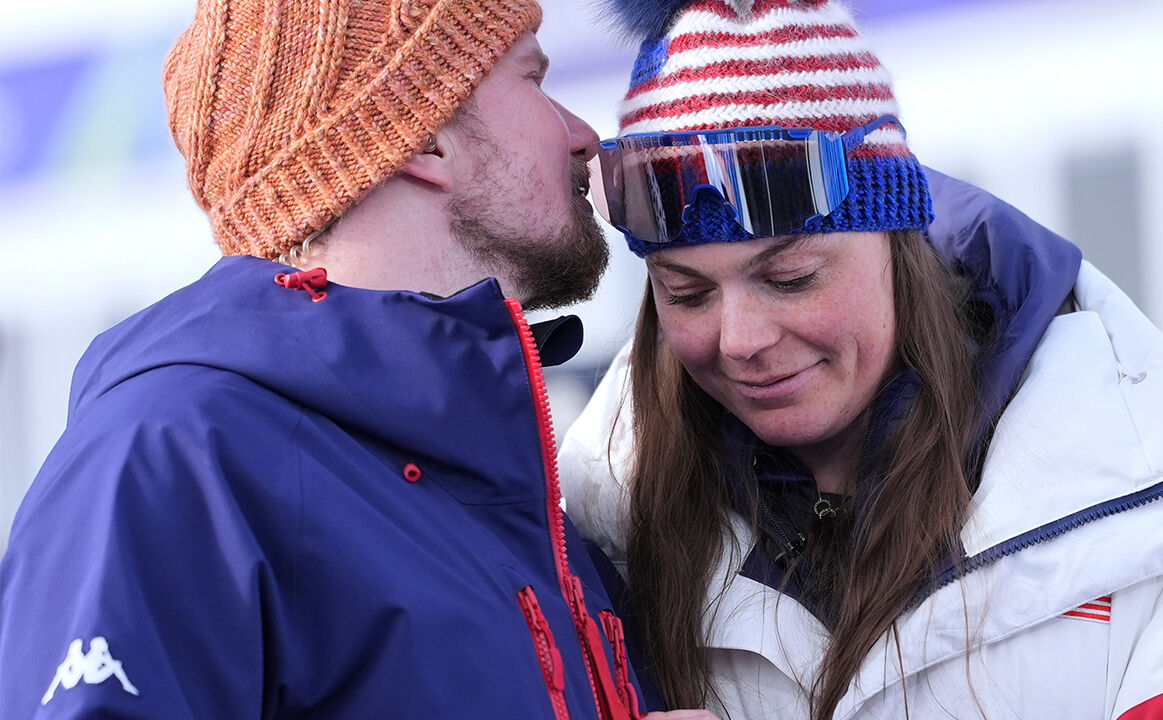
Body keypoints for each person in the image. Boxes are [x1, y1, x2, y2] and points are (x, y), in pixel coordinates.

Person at [560, 1, 1163, 718]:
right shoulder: (606, 525)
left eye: (791, 279)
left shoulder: (1151, 495)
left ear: (900, 251)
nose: (740, 339)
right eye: (687, 294)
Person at [0, 0, 718, 718]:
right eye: (533, 80)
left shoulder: (504, 499)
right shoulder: (171, 457)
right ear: (425, 138)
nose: (584, 136)